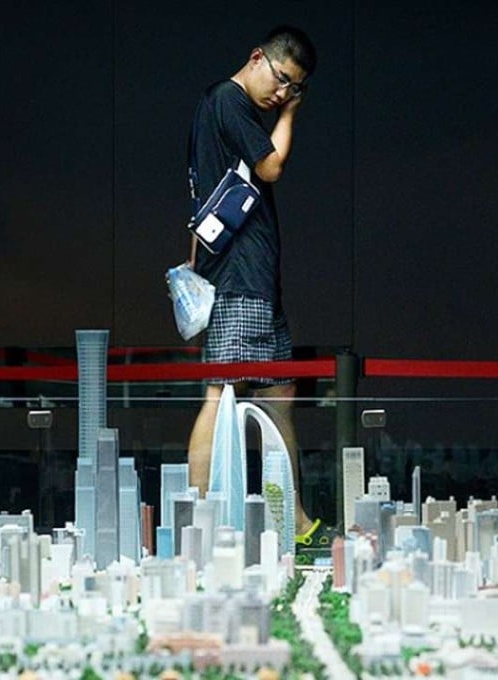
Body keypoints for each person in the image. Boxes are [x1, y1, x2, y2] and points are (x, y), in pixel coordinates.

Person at [186, 25, 317, 537]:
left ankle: (294, 519)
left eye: (294, 89)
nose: (282, 93)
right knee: (221, 394)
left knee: (278, 395)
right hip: (238, 277)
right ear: (257, 57)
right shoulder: (230, 98)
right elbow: (272, 166)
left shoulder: (218, 106)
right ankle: (194, 519)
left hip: (255, 277)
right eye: (282, 80)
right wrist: (289, 116)